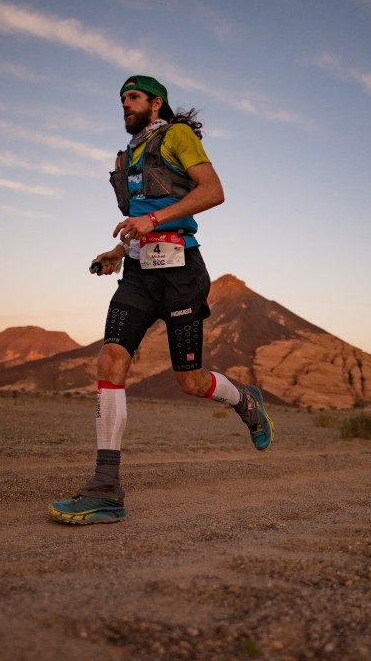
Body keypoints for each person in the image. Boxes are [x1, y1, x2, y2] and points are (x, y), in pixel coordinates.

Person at [48, 75, 273, 525]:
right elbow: (136, 220)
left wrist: (153, 219)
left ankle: (244, 401)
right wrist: (115, 252)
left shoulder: (177, 136)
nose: (124, 105)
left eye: (132, 98)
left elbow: (213, 191)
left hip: (181, 274)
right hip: (137, 275)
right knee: (111, 358)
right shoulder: (126, 156)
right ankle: (105, 489)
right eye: (120, 99)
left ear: (156, 104)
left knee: (188, 381)